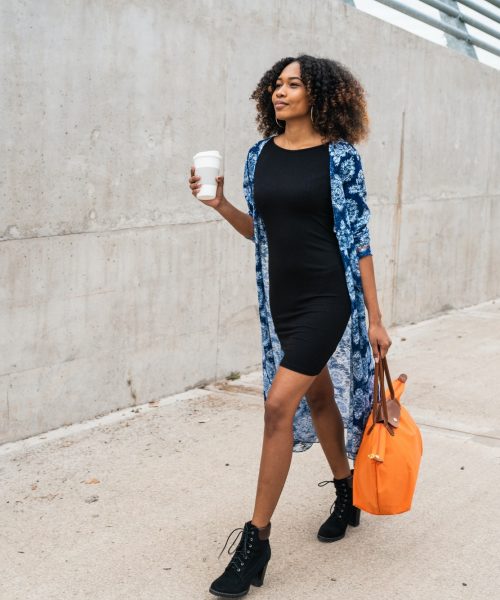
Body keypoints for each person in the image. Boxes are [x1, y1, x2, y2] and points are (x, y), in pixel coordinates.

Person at [188, 54, 392, 598]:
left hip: (330, 297)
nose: (281, 92)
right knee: (319, 398)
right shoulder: (259, 155)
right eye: (277, 84)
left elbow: (360, 241)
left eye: (294, 84)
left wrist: (375, 318)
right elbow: (263, 232)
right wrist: (221, 203)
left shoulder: (341, 158)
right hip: (283, 301)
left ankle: (256, 542)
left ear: (318, 95)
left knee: (280, 405)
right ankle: (347, 495)